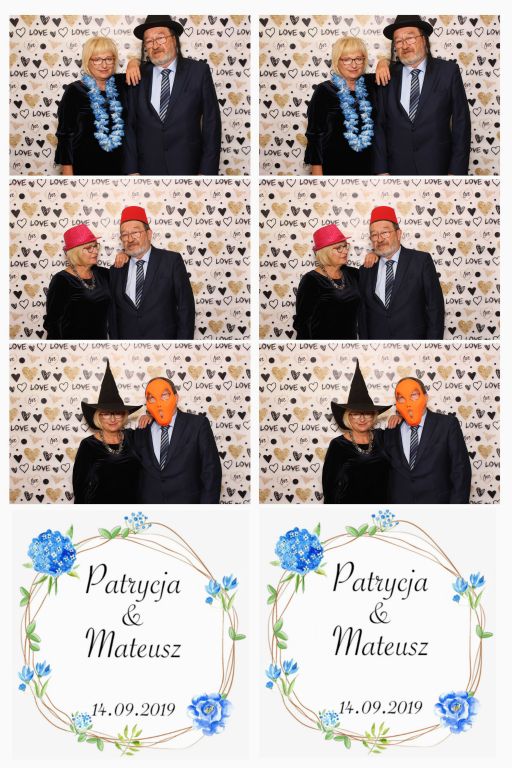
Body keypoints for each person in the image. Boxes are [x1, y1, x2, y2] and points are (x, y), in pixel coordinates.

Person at [123, 15, 221, 175]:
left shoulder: (198, 72)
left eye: (160, 38)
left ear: (174, 39)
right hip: (146, 171)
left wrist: (206, 172)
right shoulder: (136, 75)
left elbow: (212, 123)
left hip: (189, 169)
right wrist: (132, 170)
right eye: (149, 41)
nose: (155, 45)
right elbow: (130, 126)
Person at [373, 15, 471, 175]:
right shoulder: (386, 75)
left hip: (438, 167)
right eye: (398, 41)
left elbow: (461, 122)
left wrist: (456, 172)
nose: (405, 45)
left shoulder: (448, 71)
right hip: (396, 170)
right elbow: (380, 126)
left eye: (410, 38)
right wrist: (381, 170)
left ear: (424, 40)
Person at [124, 376, 222, 504]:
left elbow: (211, 471)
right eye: (152, 398)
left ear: (176, 398)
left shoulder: (197, 425)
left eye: (164, 395)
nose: (159, 403)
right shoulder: (141, 430)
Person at [373, 376, 472, 503]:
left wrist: (456, 509)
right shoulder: (391, 430)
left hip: (437, 506)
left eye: (413, 395)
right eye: (401, 398)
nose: (408, 402)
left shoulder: (447, 425)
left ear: (426, 397)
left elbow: (460, 470)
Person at [358, 205, 445, 340]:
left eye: (385, 232)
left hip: (415, 347)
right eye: (374, 235)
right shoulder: (366, 270)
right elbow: (363, 315)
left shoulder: (421, 261)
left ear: (398, 234)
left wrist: (432, 347)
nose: (379, 239)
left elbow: (435, 308)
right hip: (376, 348)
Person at [108, 205, 195, 340]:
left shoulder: (171, 261)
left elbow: (186, 308)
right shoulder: (116, 270)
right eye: (124, 235)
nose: (130, 239)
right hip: (127, 348)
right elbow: (113, 315)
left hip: (165, 347)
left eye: (135, 232)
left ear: (149, 234)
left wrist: (182, 347)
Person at [305, 36, 380, 175]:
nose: (354, 65)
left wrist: (383, 62)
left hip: (371, 166)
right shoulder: (324, 90)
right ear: (336, 61)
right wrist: (317, 173)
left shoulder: (373, 85)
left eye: (358, 58)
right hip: (334, 165)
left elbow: (401, 67)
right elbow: (315, 134)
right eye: (346, 59)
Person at [55, 36, 130, 175]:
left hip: (121, 167)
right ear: (87, 61)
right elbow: (65, 135)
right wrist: (68, 173)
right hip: (84, 166)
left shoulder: (123, 84)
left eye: (109, 59)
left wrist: (134, 62)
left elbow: (152, 67)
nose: (104, 65)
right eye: (97, 59)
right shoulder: (75, 90)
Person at [322, 360, 393, 503]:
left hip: (382, 510)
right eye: (355, 414)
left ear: (373, 416)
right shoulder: (338, 445)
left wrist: (400, 417)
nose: (362, 419)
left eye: (367, 413)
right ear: (348, 417)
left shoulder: (382, 437)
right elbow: (329, 487)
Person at [73, 360, 143, 503]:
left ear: (124, 415)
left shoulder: (133, 437)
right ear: (98, 416)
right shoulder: (88, 445)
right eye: (106, 413)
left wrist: (150, 416)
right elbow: (80, 487)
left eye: (117, 413)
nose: (112, 419)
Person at [44, 224, 112, 340]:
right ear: (75, 252)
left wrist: (125, 255)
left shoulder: (104, 274)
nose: (95, 251)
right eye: (89, 248)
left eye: (96, 246)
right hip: (71, 347)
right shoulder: (61, 280)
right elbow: (53, 324)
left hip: (100, 345)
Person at [294, 224, 361, 340]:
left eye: (345, 246)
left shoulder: (353, 274)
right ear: (325, 252)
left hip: (350, 345)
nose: (345, 251)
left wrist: (374, 256)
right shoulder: (311, 280)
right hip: (321, 347)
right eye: (339, 248)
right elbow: (302, 324)